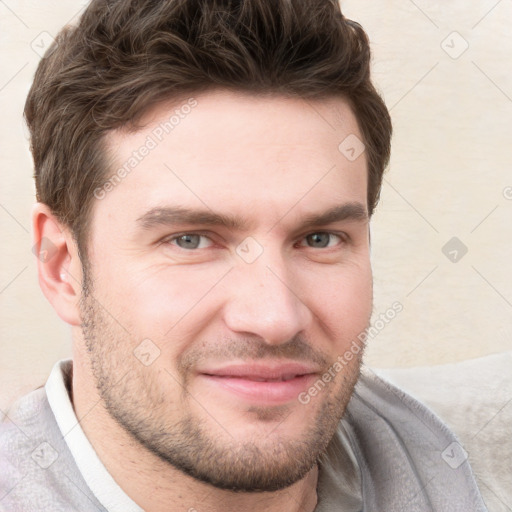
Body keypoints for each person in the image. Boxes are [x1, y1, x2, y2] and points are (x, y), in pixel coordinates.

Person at [0, 0, 487, 510]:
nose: (275, 317)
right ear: (62, 267)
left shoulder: (481, 463)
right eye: (191, 240)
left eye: (319, 239)